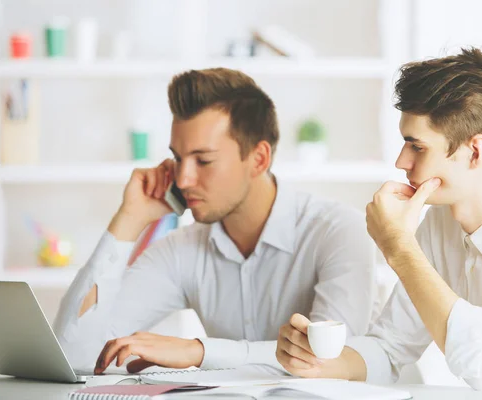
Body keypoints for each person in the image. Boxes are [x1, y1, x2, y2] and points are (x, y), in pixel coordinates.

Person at [276, 48, 482, 392]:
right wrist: (321, 363)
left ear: (476, 151)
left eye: (417, 146)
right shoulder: (440, 223)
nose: (401, 161)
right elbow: (390, 346)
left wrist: (399, 248)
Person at [54, 68, 375, 374]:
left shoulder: (338, 231)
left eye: (203, 160)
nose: (183, 177)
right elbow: (74, 354)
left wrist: (199, 352)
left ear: (259, 158)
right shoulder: (182, 249)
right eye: (178, 158)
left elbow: (331, 362)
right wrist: (129, 220)